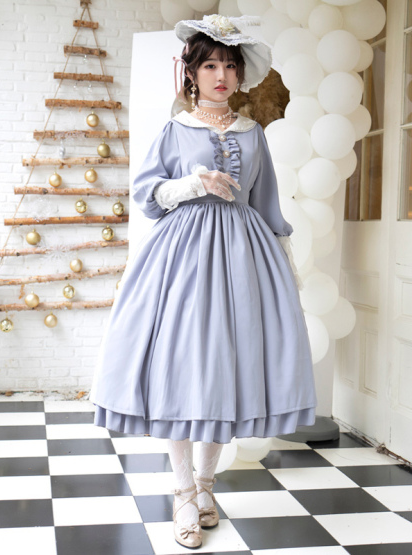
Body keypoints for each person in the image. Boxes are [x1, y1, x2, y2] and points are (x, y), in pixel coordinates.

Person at [89, 14, 317, 549]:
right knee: (180, 369)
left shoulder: (253, 134)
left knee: (224, 371)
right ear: (192, 73)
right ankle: (183, 493)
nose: (221, 75)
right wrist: (195, 182)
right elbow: (149, 196)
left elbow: (266, 204)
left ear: (241, 75)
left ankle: (207, 487)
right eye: (211, 65)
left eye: (230, 66)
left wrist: (284, 268)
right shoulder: (176, 130)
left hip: (243, 259)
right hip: (183, 259)